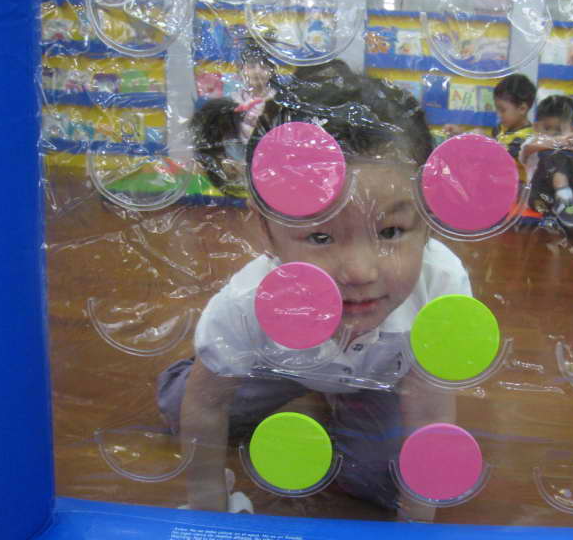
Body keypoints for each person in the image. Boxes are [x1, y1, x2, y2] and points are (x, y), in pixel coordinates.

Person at [157, 61, 471, 520]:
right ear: (267, 230)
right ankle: (213, 365)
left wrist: (415, 525)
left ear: (427, 220)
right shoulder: (249, 302)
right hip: (281, 366)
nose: (360, 271)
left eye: (390, 232)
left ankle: (341, 399)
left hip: (379, 380)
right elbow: (208, 402)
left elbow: (430, 414)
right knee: (179, 406)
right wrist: (208, 506)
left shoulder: (441, 290)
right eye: (321, 237)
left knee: (384, 477)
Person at [193, 37, 278, 197]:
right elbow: (210, 144)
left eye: (263, 66)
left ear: (272, 70)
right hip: (237, 169)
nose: (257, 72)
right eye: (251, 66)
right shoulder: (225, 106)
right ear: (241, 69)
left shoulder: (280, 104)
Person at [517, 95, 573, 227]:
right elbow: (529, 148)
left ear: (572, 129)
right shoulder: (533, 142)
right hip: (541, 198)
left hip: (572, 202)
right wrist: (557, 142)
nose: (554, 134)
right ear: (536, 127)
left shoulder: (572, 140)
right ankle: (564, 196)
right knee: (553, 153)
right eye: (547, 129)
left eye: (560, 131)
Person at [442, 73, 536, 173]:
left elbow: (502, 154)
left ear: (522, 109)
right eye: (497, 109)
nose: (498, 115)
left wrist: (481, 139)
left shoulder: (527, 139)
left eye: (502, 110)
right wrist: (461, 134)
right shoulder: (500, 129)